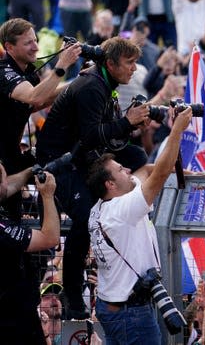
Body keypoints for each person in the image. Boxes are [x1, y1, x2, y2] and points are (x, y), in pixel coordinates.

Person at [36, 37, 150, 319]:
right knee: (85, 215)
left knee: (136, 156)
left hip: (84, 154)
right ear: (110, 64)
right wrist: (126, 122)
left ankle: (118, 203)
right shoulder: (91, 87)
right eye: (129, 63)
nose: (134, 69)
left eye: (136, 62)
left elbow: (103, 135)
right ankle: (73, 291)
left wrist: (130, 125)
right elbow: (89, 137)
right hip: (61, 161)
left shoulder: (105, 82)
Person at [86, 106, 193, 344]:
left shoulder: (102, 206)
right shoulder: (121, 210)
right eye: (120, 170)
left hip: (113, 306)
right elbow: (159, 173)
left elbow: (145, 170)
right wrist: (176, 131)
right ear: (110, 185)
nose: (127, 170)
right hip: (130, 313)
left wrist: (185, 173)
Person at [0, 18, 81, 174]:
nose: (36, 47)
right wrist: (62, 64)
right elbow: (34, 97)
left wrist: (79, 82)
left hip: (11, 155)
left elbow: (40, 101)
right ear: (9, 47)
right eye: (28, 43)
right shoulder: (3, 71)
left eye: (35, 40)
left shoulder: (29, 74)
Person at [0, 162, 60, 345]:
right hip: (11, 319)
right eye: (3, 177)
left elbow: (7, 186)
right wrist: (47, 195)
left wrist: (29, 172)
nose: (7, 183)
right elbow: (49, 238)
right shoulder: (1, 229)